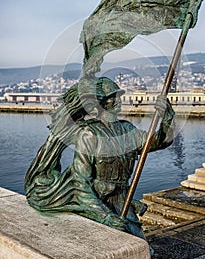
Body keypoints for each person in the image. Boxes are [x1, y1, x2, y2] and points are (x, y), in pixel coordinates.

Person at [25, 76, 174, 256]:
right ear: (101, 102)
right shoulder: (89, 134)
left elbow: (159, 142)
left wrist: (167, 120)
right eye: (113, 97)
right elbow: (81, 183)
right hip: (98, 202)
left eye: (118, 96)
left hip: (121, 201)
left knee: (143, 250)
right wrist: (104, 216)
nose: (118, 101)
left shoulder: (128, 130)